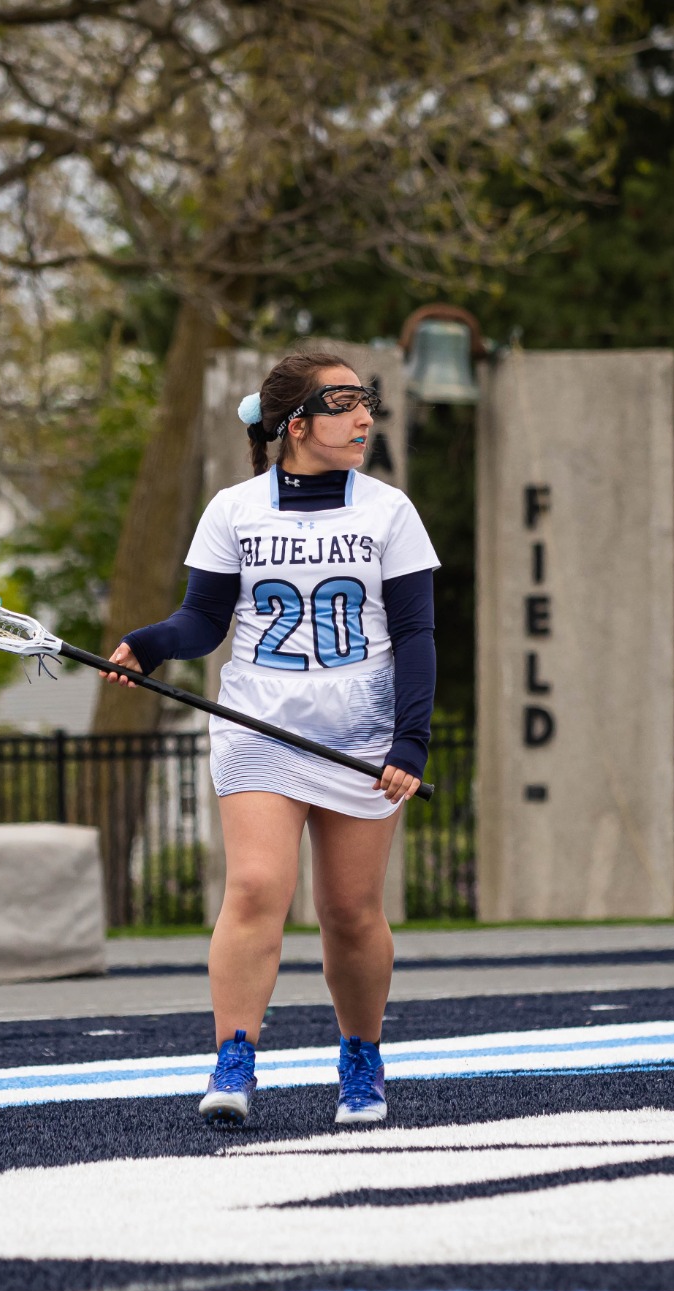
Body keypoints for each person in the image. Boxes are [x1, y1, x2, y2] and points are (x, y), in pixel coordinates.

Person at [104, 350, 439, 1125]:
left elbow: (417, 634)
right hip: (262, 728)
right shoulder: (234, 510)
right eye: (346, 402)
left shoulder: (389, 510)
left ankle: (360, 1054)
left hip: (359, 734)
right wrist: (150, 641)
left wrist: (410, 741)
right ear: (297, 423)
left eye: (368, 400)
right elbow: (203, 620)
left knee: (351, 912)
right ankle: (235, 1055)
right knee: (255, 888)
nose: (365, 416)